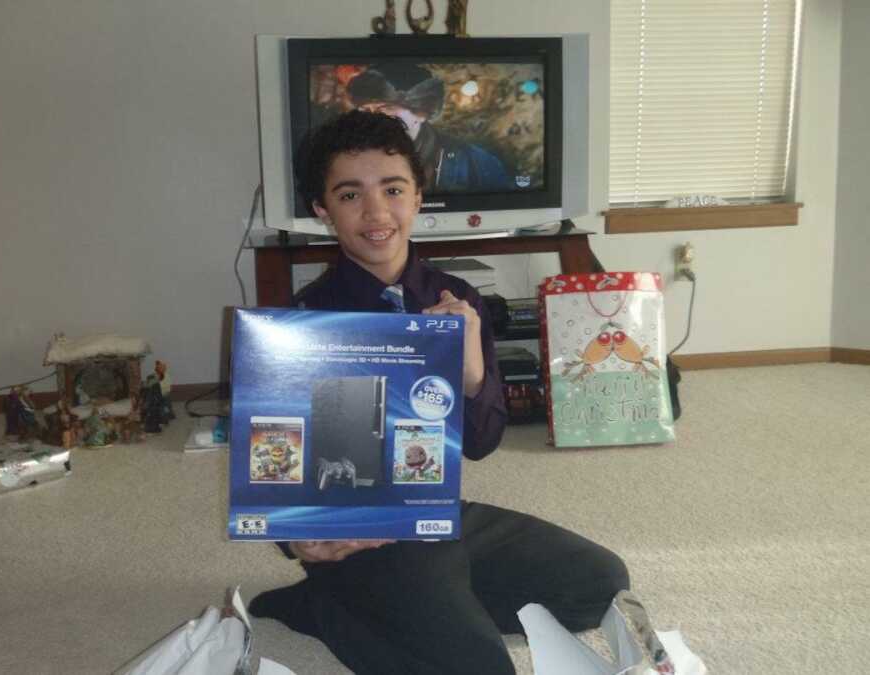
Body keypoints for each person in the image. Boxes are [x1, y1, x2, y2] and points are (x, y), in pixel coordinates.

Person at [247, 110, 629, 675]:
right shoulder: (302, 322)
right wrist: (298, 538)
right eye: (351, 195)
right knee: (479, 667)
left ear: (418, 197)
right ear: (323, 211)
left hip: (437, 510)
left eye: (393, 189)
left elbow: (480, 443)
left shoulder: (458, 300)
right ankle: (336, 600)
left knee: (600, 585)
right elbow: (275, 455)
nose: (376, 212)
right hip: (359, 531)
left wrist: (472, 370)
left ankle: (379, 606)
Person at [346, 63, 513, 194]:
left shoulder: (474, 163)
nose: (374, 119)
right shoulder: (347, 160)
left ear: (421, 112)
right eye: (366, 110)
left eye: (386, 108)